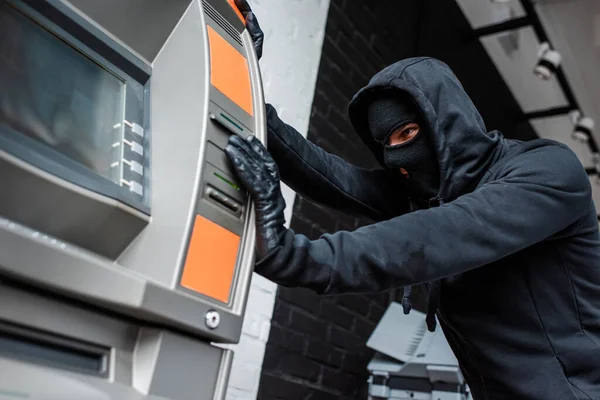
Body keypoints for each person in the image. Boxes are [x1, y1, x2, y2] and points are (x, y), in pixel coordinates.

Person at [229, 2, 600, 399]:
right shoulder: (431, 194)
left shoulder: (548, 171)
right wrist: (248, 77)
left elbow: (442, 235)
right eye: (385, 143)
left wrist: (291, 255)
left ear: (447, 122)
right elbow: (336, 179)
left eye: (406, 133)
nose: (396, 156)